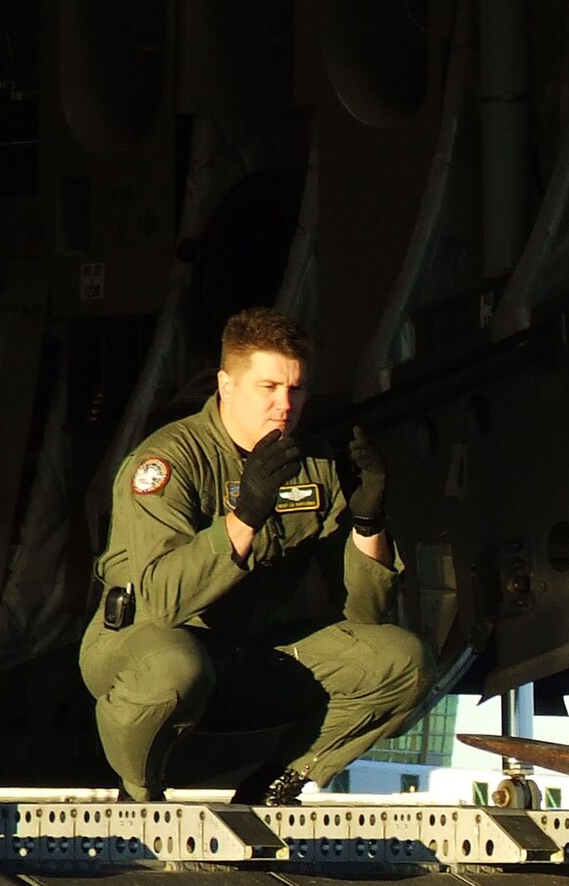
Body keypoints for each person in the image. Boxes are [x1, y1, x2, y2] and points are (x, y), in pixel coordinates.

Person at [79, 307, 434, 804]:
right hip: (144, 654)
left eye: (296, 389)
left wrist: (367, 524)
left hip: (240, 659)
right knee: (174, 669)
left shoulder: (311, 463)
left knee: (403, 660)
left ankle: (274, 786)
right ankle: (141, 793)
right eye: (268, 388)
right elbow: (161, 602)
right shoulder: (168, 461)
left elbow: (363, 618)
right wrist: (243, 518)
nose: (284, 405)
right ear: (226, 385)